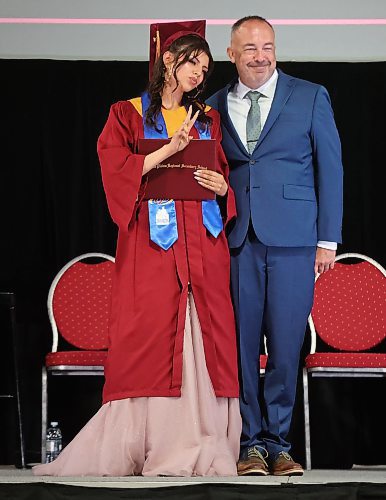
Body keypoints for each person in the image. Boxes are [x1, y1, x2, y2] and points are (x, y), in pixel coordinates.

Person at [33, 20, 241, 477]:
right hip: (154, 242)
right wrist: (171, 148)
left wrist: (223, 184)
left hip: (202, 243)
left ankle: (204, 439)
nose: (200, 74)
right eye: (193, 63)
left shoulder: (207, 117)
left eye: (206, 68)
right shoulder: (126, 113)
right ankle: (153, 442)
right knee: (150, 330)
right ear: (168, 60)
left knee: (208, 332)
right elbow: (116, 171)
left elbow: (221, 174)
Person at [208, 15, 343, 476]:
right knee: (242, 347)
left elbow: (332, 169)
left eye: (267, 46)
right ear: (231, 54)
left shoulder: (310, 96)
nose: (260, 56)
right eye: (249, 48)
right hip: (236, 241)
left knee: (286, 347)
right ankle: (250, 444)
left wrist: (327, 239)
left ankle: (280, 443)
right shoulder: (211, 107)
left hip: (294, 241)